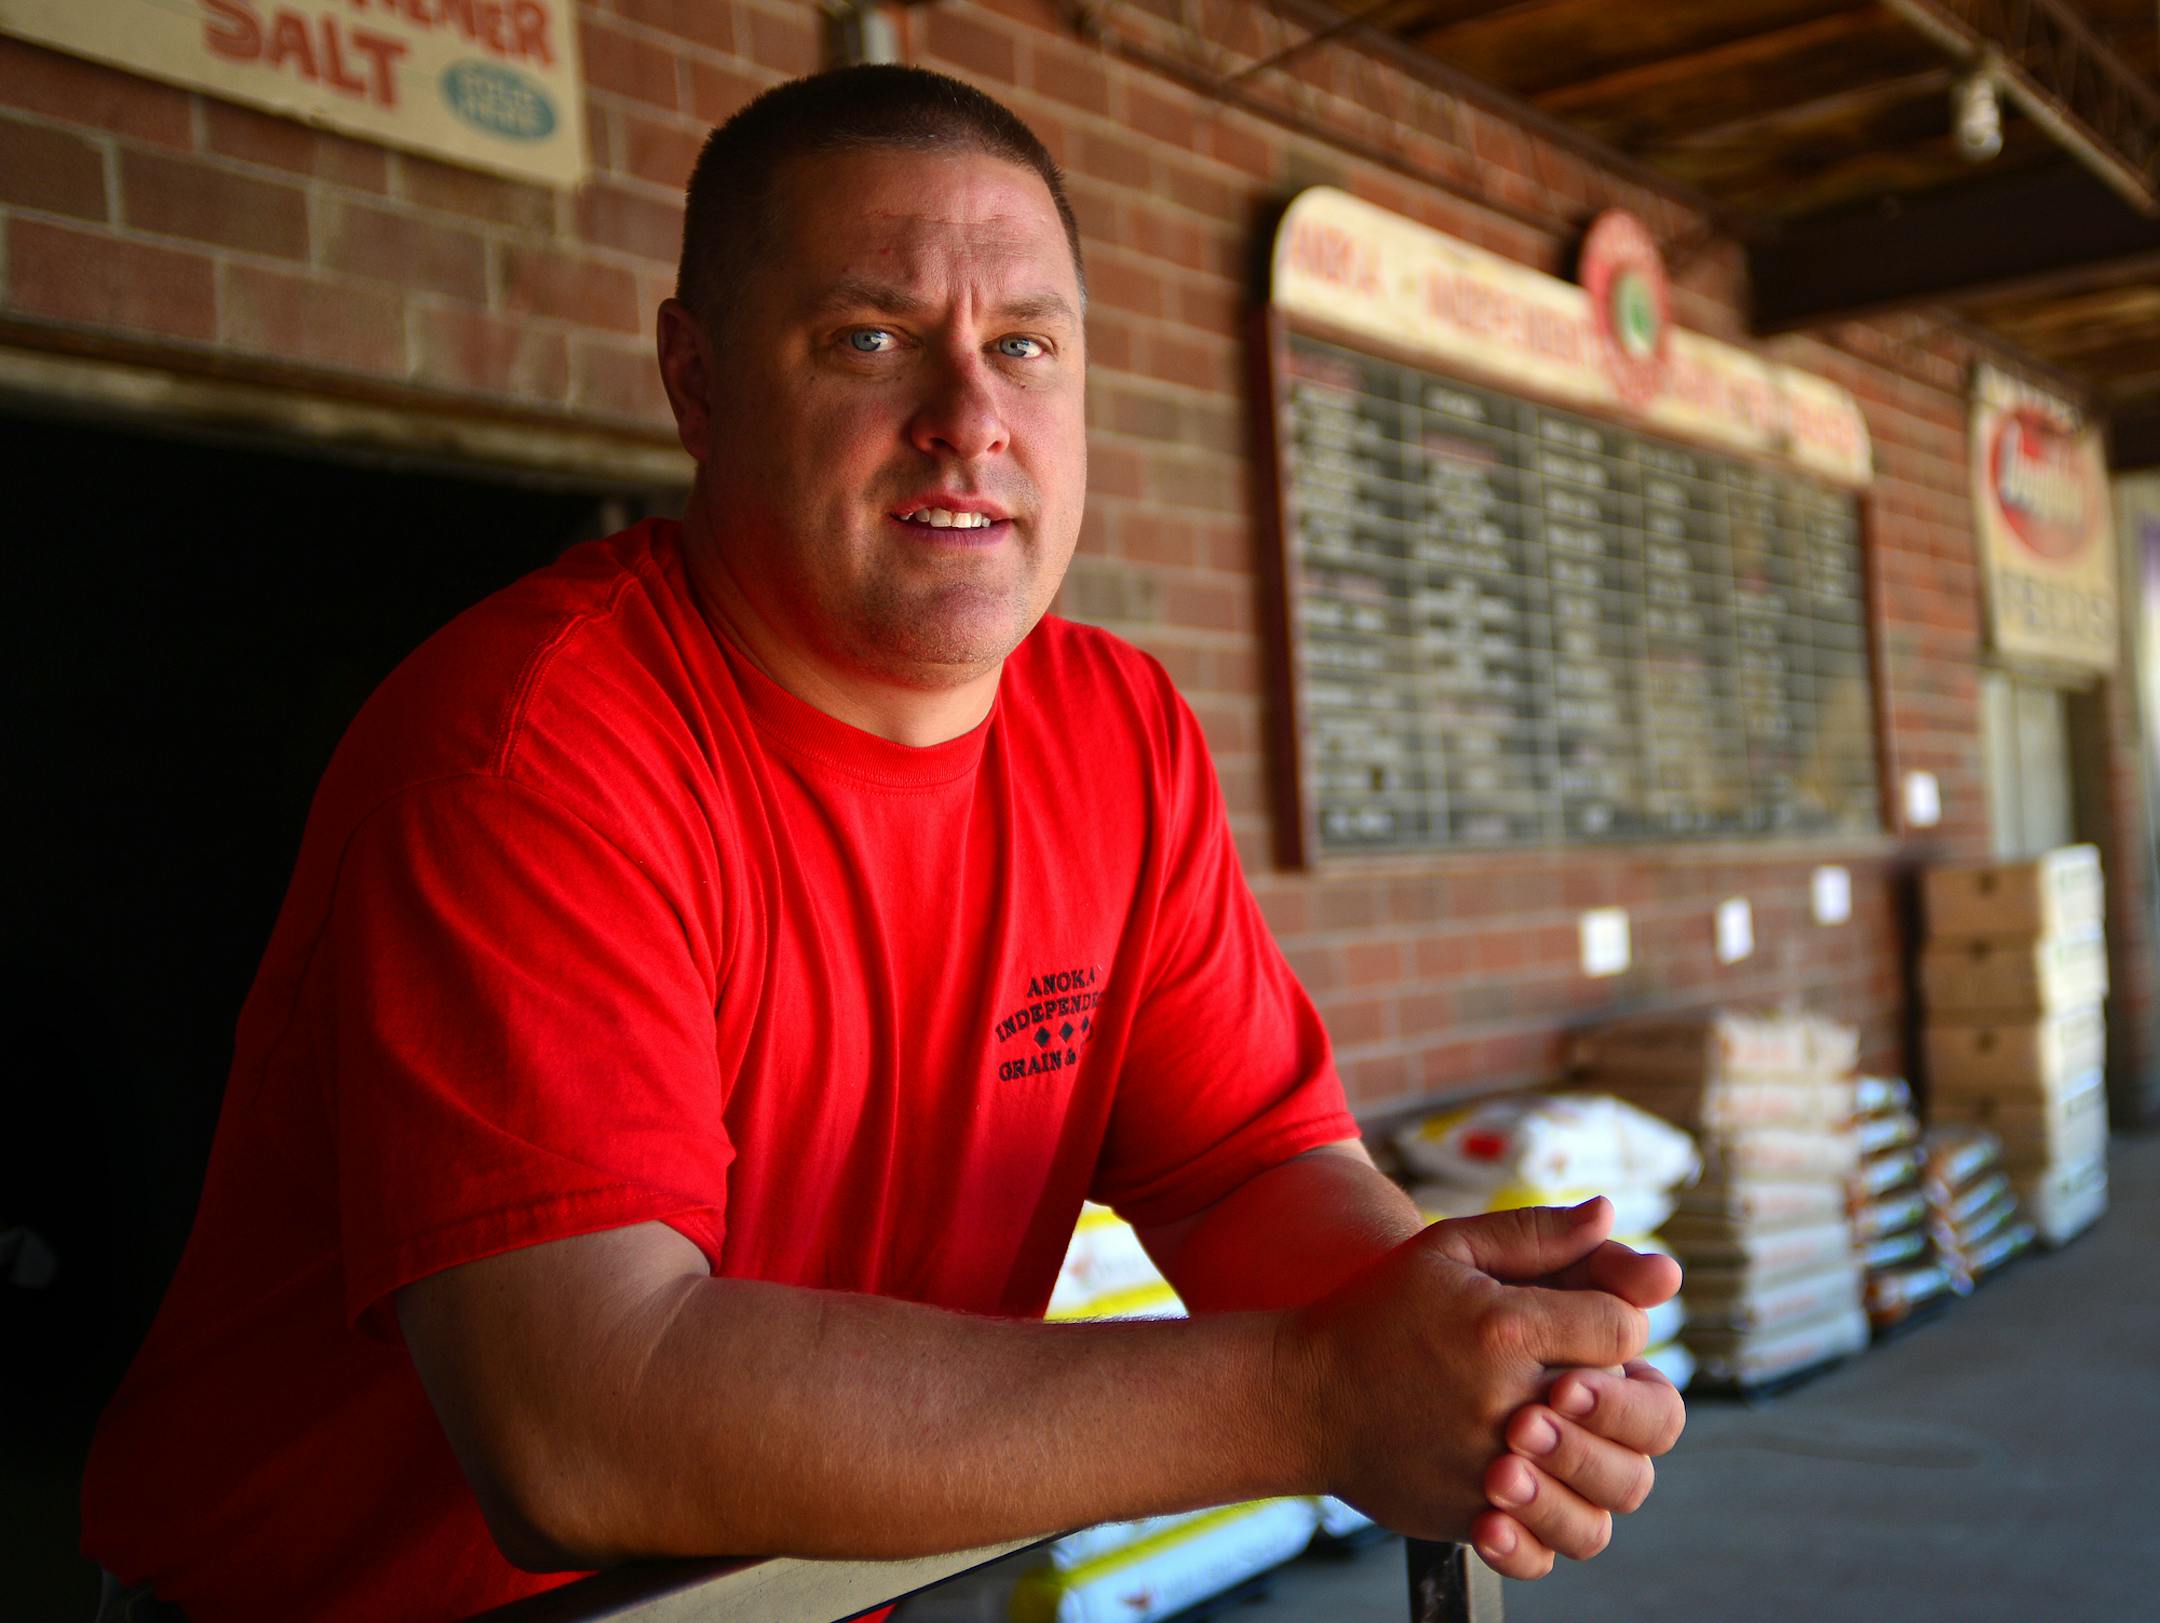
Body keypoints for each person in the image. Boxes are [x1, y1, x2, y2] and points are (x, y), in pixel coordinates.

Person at [80, 65, 1683, 1622]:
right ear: (698, 383)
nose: (970, 418)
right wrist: (1318, 1395)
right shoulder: (526, 754)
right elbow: (584, 1423)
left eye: (1024, 345)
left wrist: (1467, 1353)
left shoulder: (1117, 730)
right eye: (871, 339)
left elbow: (1246, 1170)